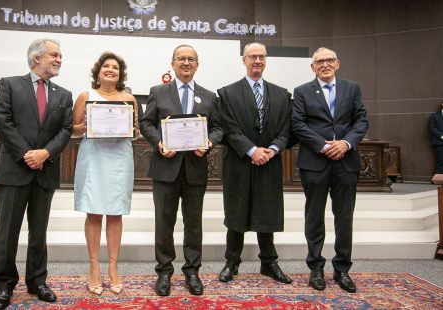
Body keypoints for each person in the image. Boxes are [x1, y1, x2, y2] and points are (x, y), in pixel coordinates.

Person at [0, 38, 73, 309]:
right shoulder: (10, 84)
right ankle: (4, 285)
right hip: (14, 170)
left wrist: (45, 154)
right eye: (54, 55)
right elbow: (2, 121)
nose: (59, 59)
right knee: (8, 232)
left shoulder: (64, 95)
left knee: (39, 232)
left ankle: (37, 281)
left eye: (60, 56)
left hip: (45, 173)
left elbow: (65, 130)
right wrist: (28, 154)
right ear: (36, 58)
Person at [140, 44, 223, 296]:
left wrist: (209, 143)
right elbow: (146, 123)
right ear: (173, 63)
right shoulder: (158, 92)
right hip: (166, 168)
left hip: (195, 170)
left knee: (194, 224)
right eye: (181, 59)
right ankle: (164, 272)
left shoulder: (209, 96)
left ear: (197, 65)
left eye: (191, 59)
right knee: (164, 223)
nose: (186, 63)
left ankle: (192, 272)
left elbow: (218, 128)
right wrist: (159, 143)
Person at [292, 47, 368, 293]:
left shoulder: (352, 88)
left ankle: (342, 268)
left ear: (338, 63)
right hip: (315, 161)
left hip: (346, 161)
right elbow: (297, 124)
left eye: (329, 60)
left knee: (344, 216)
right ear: (312, 67)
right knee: (314, 216)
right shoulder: (302, 91)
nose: (324, 64)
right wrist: (323, 145)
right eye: (319, 61)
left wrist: (346, 143)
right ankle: (315, 267)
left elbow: (361, 120)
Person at [216, 42, 293, 285]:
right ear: (244, 60)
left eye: (261, 56)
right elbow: (228, 127)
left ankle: (269, 262)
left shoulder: (282, 94)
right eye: (252, 57)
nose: (257, 60)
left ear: (266, 60)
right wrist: (251, 150)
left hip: (269, 162)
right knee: (237, 212)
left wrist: (272, 149)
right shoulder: (227, 93)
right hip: (239, 162)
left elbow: (287, 129)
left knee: (266, 211)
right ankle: (232, 262)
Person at [72, 51, 139, 295]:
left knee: (115, 213)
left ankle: (113, 268)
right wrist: (87, 125)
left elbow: (136, 132)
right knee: (93, 212)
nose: (111, 70)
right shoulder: (85, 96)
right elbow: (73, 130)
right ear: (98, 72)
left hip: (119, 158)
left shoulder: (129, 99)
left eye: (115, 67)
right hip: (94, 157)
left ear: (120, 75)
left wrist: (131, 129)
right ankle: (94, 269)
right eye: (106, 67)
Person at [429, 100, 443, 174]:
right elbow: (432, 128)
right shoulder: (435, 115)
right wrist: (441, 136)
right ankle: (437, 179)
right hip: (439, 143)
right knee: (440, 161)